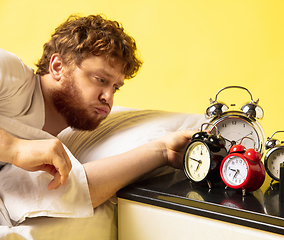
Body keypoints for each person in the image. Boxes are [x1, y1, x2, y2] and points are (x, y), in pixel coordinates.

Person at [0, 13, 194, 214]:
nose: (108, 97)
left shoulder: (50, 146)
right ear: (58, 67)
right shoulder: (12, 74)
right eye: (100, 79)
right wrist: (14, 148)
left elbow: (78, 194)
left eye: (116, 88)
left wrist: (163, 151)